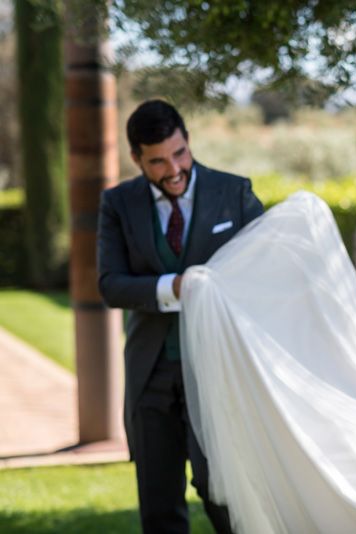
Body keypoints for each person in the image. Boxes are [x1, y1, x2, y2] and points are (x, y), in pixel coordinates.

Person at [97, 99, 264, 533]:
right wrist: (173, 286)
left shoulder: (235, 193)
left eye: (179, 153)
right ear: (136, 158)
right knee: (158, 505)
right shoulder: (118, 204)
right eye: (157, 161)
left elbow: (267, 272)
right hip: (150, 372)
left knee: (222, 494)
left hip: (216, 371)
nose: (172, 169)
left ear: (188, 141)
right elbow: (111, 284)